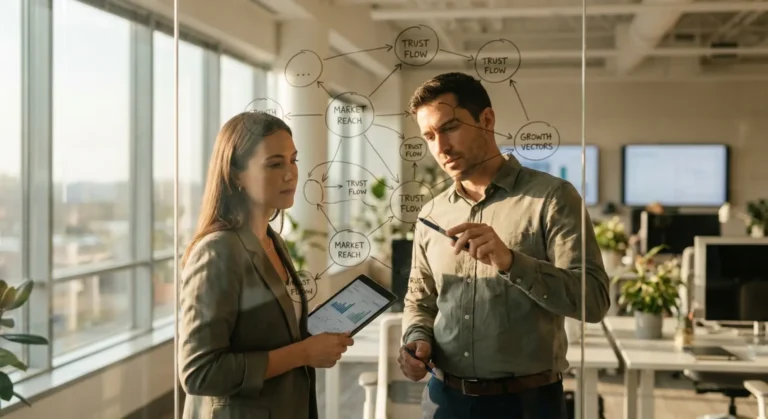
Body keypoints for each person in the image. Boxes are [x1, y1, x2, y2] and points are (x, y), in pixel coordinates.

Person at [398, 72, 610, 418]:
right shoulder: (431, 213)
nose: (441, 147)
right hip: (444, 401)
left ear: (487, 120)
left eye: (450, 128)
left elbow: (594, 301)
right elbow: (419, 299)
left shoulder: (552, 198)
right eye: (429, 136)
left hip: (526, 404)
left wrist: (512, 262)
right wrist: (417, 338)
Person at [178, 111, 354, 419]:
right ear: (236, 175)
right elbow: (199, 372)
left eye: (293, 160)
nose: (291, 174)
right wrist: (302, 353)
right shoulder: (218, 252)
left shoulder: (273, 241)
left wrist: (311, 342)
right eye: (274, 164)